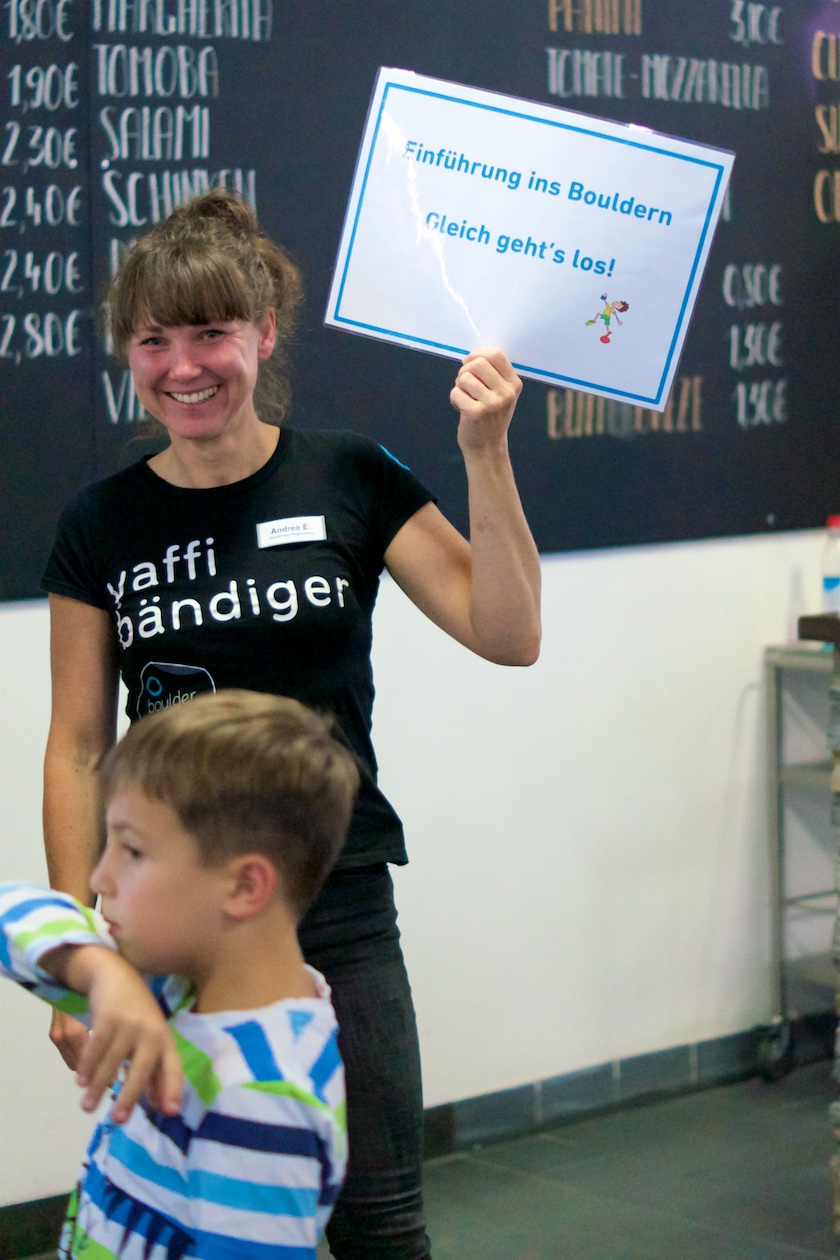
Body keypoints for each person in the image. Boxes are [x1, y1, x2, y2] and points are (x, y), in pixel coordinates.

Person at [41, 187, 541, 1259]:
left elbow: (507, 633)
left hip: (339, 903)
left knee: (379, 1223)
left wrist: (486, 450)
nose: (184, 366)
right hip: (170, 923)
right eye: (153, 339)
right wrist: (85, 952)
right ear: (128, 352)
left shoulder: (349, 474)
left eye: (212, 333)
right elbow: (78, 745)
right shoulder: (100, 523)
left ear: (264, 333)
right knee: (178, 1216)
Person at [2, 688, 360, 1259]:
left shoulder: (259, 1097)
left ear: (244, 887)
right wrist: (98, 972)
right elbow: (10, 915)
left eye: (133, 852)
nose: (100, 877)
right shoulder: (170, 983)